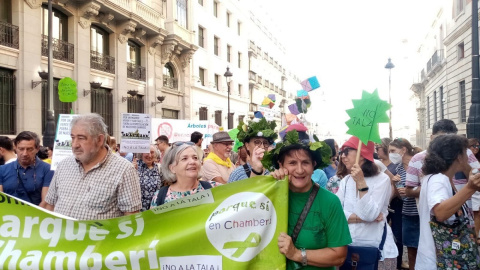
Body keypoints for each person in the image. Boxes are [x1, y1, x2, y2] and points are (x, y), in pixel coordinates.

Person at [268, 130, 351, 269]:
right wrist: (268, 183)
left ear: (314, 166)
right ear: (281, 165)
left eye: (305, 163)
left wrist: (296, 254)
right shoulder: (271, 197)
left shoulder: (329, 202)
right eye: (292, 163)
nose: (300, 170)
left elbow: (339, 255)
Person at [405, 119, 480, 270]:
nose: (469, 157)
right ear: (458, 157)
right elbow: (440, 212)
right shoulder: (439, 180)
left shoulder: (438, 177)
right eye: (465, 152)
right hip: (440, 261)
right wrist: (470, 188)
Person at [45, 113, 142, 220]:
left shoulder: (124, 170)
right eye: (73, 138)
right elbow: (50, 206)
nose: (75, 144)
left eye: (81, 138)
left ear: (100, 140)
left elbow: (131, 218)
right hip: (61, 236)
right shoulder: (63, 166)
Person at [336, 136, 398, 269]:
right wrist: (361, 219)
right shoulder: (346, 181)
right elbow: (336, 214)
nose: (342, 156)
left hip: (376, 248)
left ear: (362, 154)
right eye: (341, 153)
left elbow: (370, 214)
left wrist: (361, 183)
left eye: (346, 151)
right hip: (349, 246)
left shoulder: (382, 180)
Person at [150, 142, 219, 207]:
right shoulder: (160, 197)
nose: (192, 162)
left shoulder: (215, 188)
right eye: (184, 159)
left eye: (195, 158)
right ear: (172, 168)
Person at [388, 138, 421, 270]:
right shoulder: (398, 168)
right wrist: (396, 185)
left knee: (426, 250)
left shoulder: (420, 163)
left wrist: (410, 191)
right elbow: (400, 195)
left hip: (422, 212)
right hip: (407, 212)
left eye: (393, 151)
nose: (391, 154)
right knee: (411, 251)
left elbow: (428, 187)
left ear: (403, 150)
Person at [0, 131, 53, 207]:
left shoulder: (47, 169)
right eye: (21, 149)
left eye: (29, 149)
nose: (25, 153)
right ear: (15, 147)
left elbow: (45, 202)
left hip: (35, 216)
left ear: (37, 149)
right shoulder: (2, 170)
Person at [228, 118, 277, 183]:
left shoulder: (275, 171)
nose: (262, 146)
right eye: (257, 142)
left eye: (265, 143)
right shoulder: (237, 175)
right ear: (247, 145)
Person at [136, 145, 162, 211]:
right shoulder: (135, 167)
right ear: (141, 154)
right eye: (147, 152)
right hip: (139, 209)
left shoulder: (159, 168)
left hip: (155, 208)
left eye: (152, 152)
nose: (150, 155)